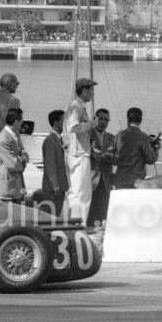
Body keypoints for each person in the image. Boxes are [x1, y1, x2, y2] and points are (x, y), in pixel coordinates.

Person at [63, 78, 98, 223]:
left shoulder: (76, 106)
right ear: (84, 91)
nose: (93, 94)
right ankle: (77, 224)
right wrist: (91, 125)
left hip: (76, 152)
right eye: (91, 91)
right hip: (78, 154)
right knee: (80, 192)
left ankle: (76, 222)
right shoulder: (76, 106)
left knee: (80, 191)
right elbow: (73, 126)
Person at [114, 107, 160, 189]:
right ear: (141, 120)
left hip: (119, 181)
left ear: (128, 119)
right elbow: (151, 159)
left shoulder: (119, 135)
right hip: (136, 183)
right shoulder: (143, 137)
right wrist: (156, 149)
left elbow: (114, 156)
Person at [34, 110, 68, 217]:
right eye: (63, 119)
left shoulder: (60, 140)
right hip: (52, 189)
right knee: (49, 217)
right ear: (55, 122)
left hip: (60, 187)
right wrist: (56, 187)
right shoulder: (50, 141)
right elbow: (50, 166)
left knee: (55, 216)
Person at [87, 108, 115, 227]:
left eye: (106, 120)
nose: (103, 122)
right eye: (101, 119)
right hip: (91, 179)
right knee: (90, 209)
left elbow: (117, 156)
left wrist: (111, 157)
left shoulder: (112, 138)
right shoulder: (87, 135)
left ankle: (101, 232)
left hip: (106, 180)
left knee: (104, 209)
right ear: (95, 119)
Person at [0, 108, 27, 203]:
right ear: (16, 122)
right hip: (6, 191)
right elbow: (13, 164)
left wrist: (22, 158)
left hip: (17, 188)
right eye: (21, 121)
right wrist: (22, 159)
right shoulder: (3, 139)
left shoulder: (15, 134)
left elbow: (24, 153)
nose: (22, 124)